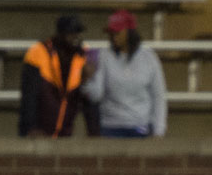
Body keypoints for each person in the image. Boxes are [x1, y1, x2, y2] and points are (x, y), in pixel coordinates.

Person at [82, 10, 167, 138]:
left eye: (117, 32)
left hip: (141, 126)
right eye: (111, 32)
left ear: (130, 32)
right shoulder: (104, 56)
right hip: (111, 126)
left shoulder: (148, 57)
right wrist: (87, 80)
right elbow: (96, 95)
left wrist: (159, 130)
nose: (113, 36)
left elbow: (158, 96)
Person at [19, 15, 99, 138]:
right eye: (71, 33)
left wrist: (94, 133)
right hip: (38, 133)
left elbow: (88, 100)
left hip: (64, 135)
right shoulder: (39, 52)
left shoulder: (82, 57)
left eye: (77, 33)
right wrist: (31, 127)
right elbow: (30, 96)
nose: (75, 37)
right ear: (61, 34)